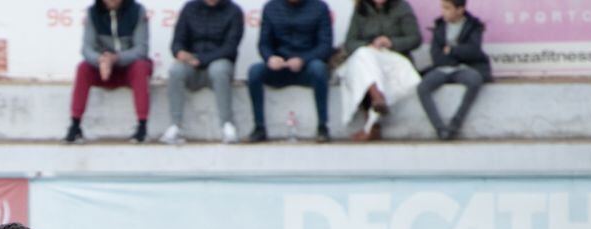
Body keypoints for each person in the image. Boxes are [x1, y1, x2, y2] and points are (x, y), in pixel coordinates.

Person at [64, 0, 152, 144]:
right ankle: (75, 125)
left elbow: (141, 49)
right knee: (83, 68)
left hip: (128, 66)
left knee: (141, 67)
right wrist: (101, 60)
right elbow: (87, 48)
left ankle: (142, 126)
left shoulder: (137, 11)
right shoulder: (93, 12)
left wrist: (115, 59)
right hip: (103, 68)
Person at [246, 0, 333, 144]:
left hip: (307, 67)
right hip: (280, 68)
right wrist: (271, 58)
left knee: (319, 69)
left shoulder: (319, 7)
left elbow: (325, 46)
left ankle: (323, 126)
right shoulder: (271, 7)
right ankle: (259, 127)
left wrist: (303, 60)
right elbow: (264, 44)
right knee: (254, 72)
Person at [161, 0, 245, 145]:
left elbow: (230, 48)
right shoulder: (189, 8)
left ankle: (227, 125)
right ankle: (175, 125)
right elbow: (177, 42)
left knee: (219, 69)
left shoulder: (234, 11)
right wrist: (180, 52)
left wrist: (201, 59)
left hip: (218, 63)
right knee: (176, 70)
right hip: (192, 66)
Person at [337, 0, 421, 141]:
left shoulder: (401, 7)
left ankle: (372, 124)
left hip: (394, 59)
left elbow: (415, 39)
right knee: (363, 60)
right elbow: (350, 42)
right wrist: (369, 45)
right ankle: (377, 100)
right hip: (367, 58)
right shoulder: (361, 10)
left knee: (364, 64)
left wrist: (391, 42)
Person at [417, 0, 491, 140]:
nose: (443, 12)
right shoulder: (439, 26)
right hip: (442, 68)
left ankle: (455, 124)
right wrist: (457, 55)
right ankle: (440, 129)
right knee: (423, 87)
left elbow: (473, 51)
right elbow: (436, 56)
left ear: (460, 9)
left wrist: (451, 50)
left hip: (465, 68)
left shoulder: (473, 26)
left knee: (475, 80)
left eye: (447, 8)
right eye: (442, 8)